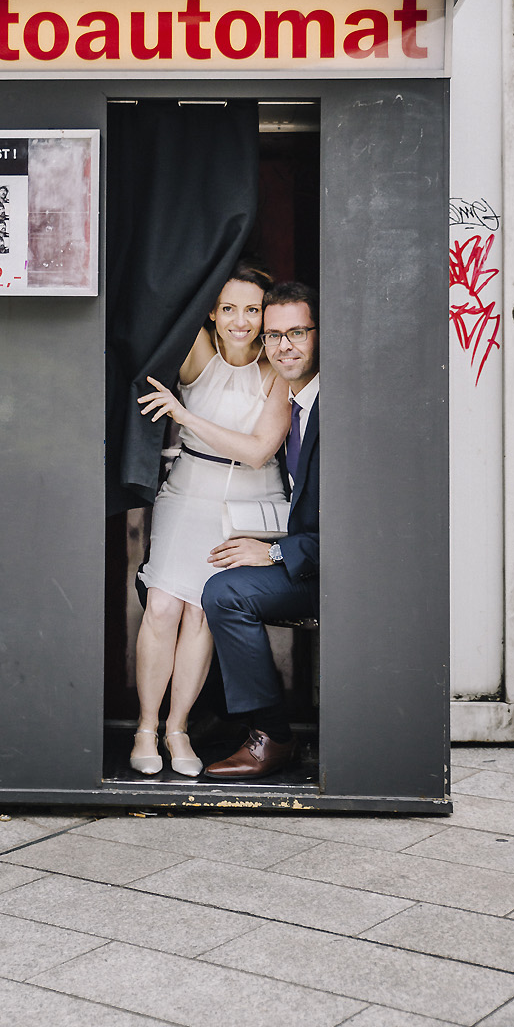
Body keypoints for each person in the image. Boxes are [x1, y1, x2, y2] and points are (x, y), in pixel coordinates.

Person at [132, 262, 291, 777]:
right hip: (187, 492)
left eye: (252, 309)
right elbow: (163, 302)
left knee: (202, 612)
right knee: (160, 608)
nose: (240, 321)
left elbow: (258, 450)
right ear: (212, 313)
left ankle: (178, 729)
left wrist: (184, 416)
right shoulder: (198, 351)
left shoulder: (278, 369)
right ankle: (145, 727)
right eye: (228, 309)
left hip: (247, 503)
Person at [201, 281, 319, 781]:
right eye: (273, 336)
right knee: (219, 581)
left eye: (297, 332)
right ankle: (231, 723)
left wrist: (273, 555)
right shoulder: (291, 404)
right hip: (306, 555)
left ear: (319, 334)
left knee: (226, 593)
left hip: (342, 570)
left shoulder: (340, 408)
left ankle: (272, 736)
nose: (284, 346)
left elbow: (359, 525)